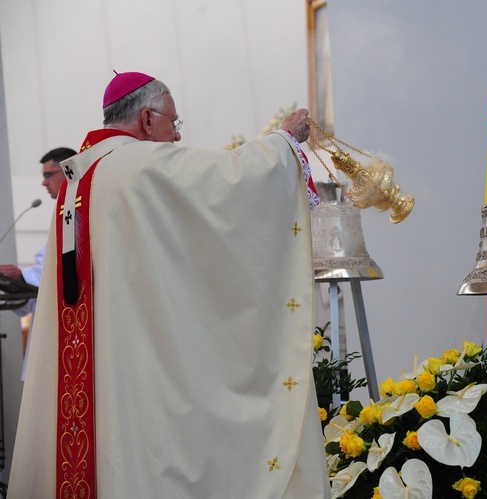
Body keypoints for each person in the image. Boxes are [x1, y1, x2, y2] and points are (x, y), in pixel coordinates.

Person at [9, 72, 329, 498]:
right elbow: (229, 182)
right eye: (173, 123)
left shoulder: (78, 180)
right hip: (136, 372)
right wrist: (284, 142)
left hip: (95, 371)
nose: (176, 137)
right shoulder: (137, 166)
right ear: (146, 119)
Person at [0, 147, 76, 379]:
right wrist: (13, 285)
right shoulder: (62, 212)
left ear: (67, 170)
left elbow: (65, 266)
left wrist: (23, 277)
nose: (44, 182)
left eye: (48, 175)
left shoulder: (78, 210)